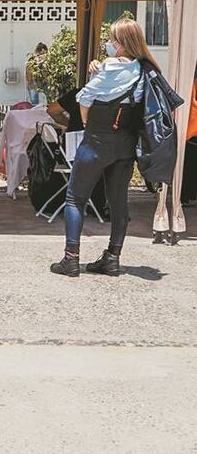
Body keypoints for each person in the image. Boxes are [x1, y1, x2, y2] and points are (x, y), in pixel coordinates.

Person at [50, 18, 155, 278]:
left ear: (120, 44)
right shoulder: (145, 69)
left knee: (75, 198)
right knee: (119, 202)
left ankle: (71, 259)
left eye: (111, 40)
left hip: (97, 140)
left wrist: (86, 121)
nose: (109, 44)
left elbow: (84, 97)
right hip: (126, 144)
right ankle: (112, 258)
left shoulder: (109, 66)